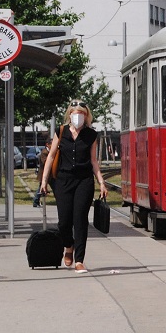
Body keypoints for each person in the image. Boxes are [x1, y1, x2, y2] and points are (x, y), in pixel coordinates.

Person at [40, 101, 106, 273]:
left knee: (80, 220)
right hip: (63, 180)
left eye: (82, 113)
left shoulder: (91, 135)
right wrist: (44, 181)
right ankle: (68, 246)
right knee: (64, 221)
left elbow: (93, 161)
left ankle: (79, 260)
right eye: (75, 113)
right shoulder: (61, 131)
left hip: (84, 181)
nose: (78, 116)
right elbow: (51, 156)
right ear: (69, 114)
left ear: (86, 116)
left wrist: (101, 182)